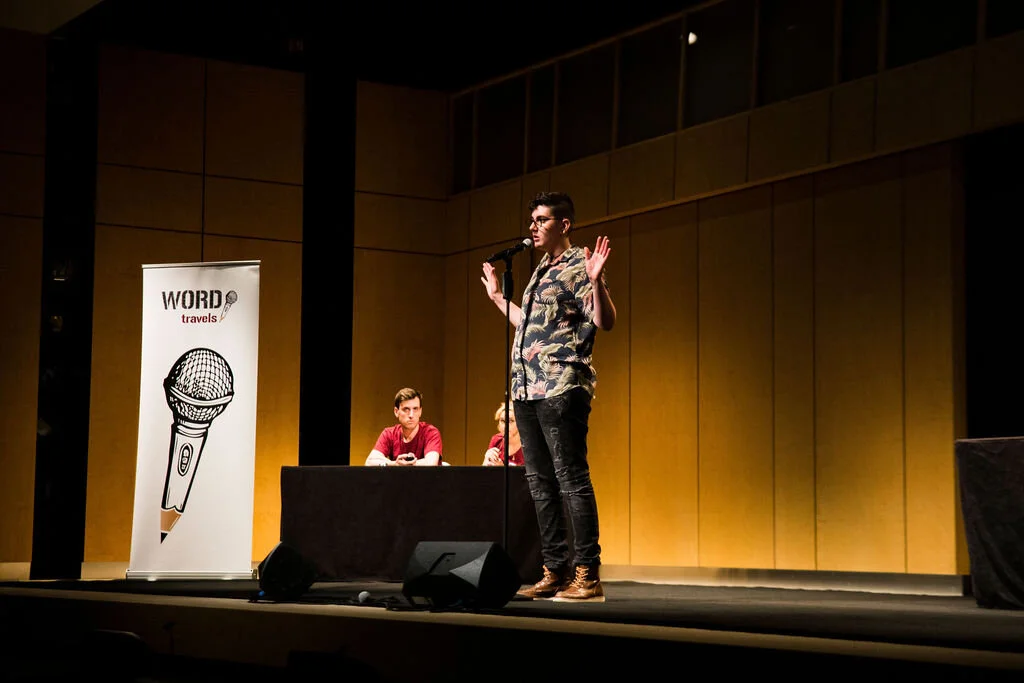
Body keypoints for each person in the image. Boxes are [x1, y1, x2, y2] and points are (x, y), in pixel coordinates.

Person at [479, 191, 616, 603]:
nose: (533, 226)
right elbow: (530, 326)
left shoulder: (579, 265)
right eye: (532, 220)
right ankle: (554, 570)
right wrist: (499, 299)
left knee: (571, 479)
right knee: (540, 483)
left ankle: (587, 574)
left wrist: (596, 281)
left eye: (541, 220)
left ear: (564, 224)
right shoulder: (542, 268)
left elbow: (605, 321)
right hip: (526, 389)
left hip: (561, 387)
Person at [365, 387, 442, 467]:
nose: (411, 415)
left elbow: (431, 463)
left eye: (415, 409)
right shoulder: (389, 434)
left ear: (420, 411)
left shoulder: (431, 432)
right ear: (396, 412)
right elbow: (369, 462)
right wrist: (395, 464)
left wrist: (405, 465)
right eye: (406, 409)